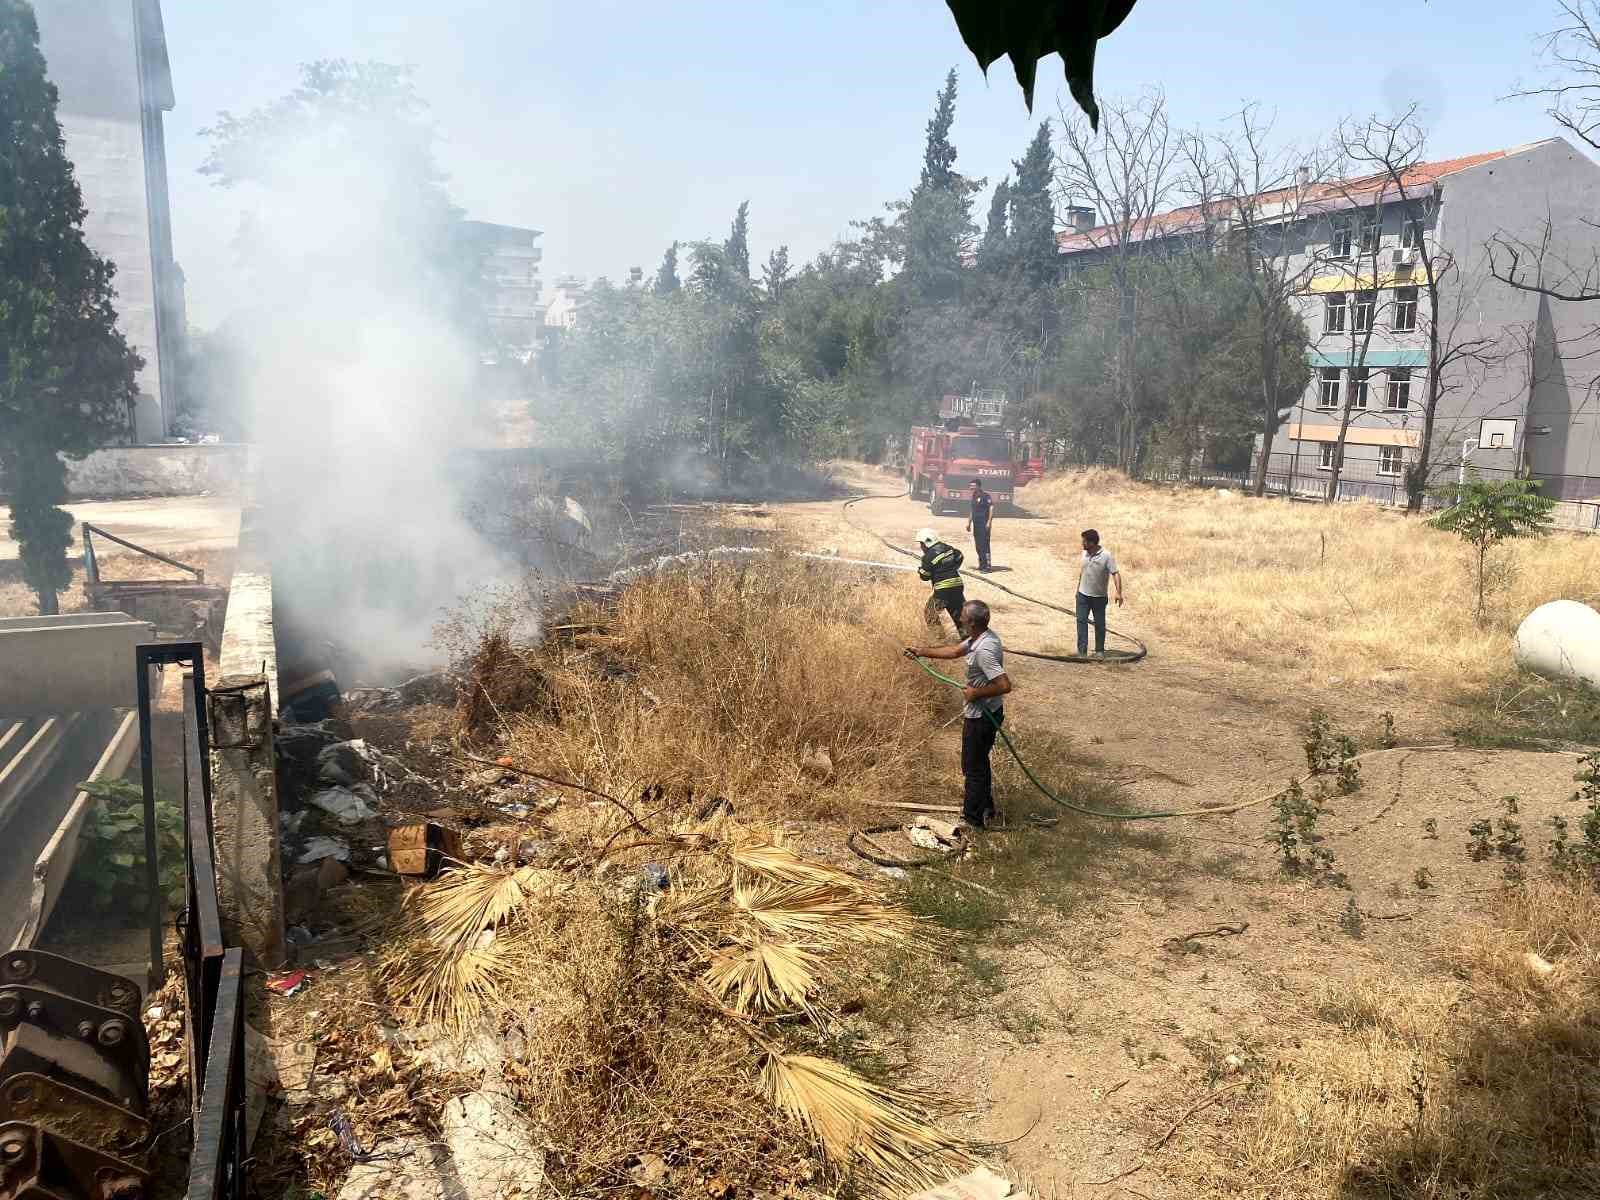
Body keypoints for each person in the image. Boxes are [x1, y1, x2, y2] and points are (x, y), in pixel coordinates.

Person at [906, 600, 1011, 829]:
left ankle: (972, 821)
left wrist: (976, 692)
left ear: (972, 623)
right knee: (978, 764)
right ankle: (985, 809)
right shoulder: (980, 637)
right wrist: (921, 652)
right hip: (986, 711)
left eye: (963, 617)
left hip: (982, 717)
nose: (959, 620)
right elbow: (954, 651)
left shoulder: (984, 650)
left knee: (972, 767)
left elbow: (1004, 684)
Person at [1075, 528, 1123, 658]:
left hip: (1099, 597)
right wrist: (1078, 589)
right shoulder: (1084, 553)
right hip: (1082, 595)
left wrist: (1118, 592)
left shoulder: (1106, 555)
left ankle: (1099, 651)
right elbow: (1082, 571)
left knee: (1100, 624)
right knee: (1081, 622)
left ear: (1092, 543)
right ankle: (1082, 652)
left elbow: (1115, 573)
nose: (1082, 544)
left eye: (1084, 541)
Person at [916, 527, 965, 633]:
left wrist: (920, 571)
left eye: (921, 544)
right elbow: (960, 556)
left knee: (930, 612)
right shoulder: (948, 548)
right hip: (957, 585)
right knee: (959, 614)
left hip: (943, 590)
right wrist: (952, 568)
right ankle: (968, 640)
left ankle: (939, 639)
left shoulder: (928, 557)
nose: (921, 547)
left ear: (926, 542)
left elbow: (925, 576)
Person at [966, 480, 995, 572]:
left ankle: (987, 566)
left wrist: (989, 522)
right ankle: (981, 564)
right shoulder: (974, 496)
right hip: (976, 524)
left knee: (984, 545)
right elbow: (972, 510)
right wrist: (969, 522)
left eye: (973, 486)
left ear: (978, 486)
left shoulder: (986, 496)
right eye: (970, 486)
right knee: (978, 545)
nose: (971, 487)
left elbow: (991, 508)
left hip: (984, 524)